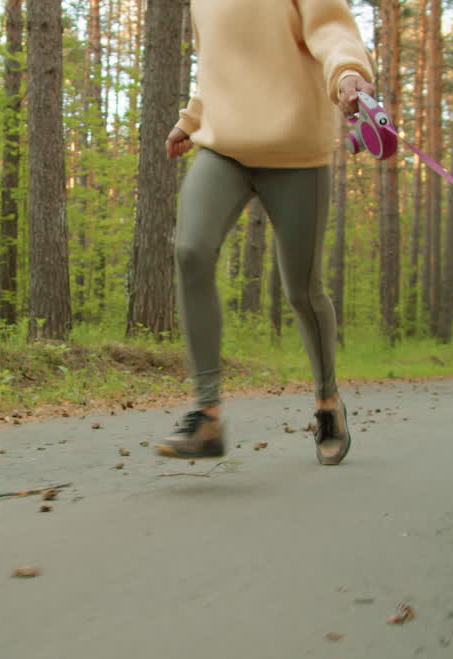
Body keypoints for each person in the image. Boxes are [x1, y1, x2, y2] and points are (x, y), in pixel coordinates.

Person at [155, 0, 377, 466]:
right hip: (225, 148)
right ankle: (207, 413)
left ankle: (328, 402)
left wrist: (348, 72)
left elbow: (331, 30)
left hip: (295, 151)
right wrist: (191, 119)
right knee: (191, 250)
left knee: (302, 290)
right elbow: (217, 68)